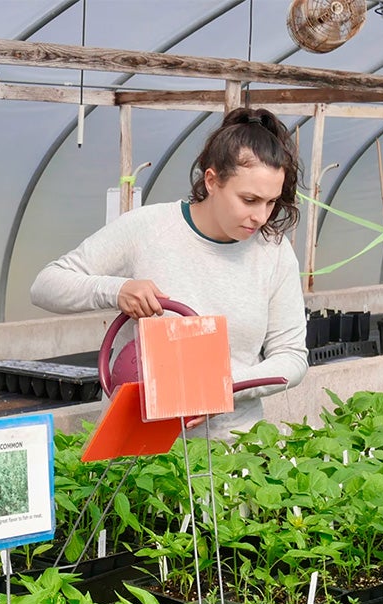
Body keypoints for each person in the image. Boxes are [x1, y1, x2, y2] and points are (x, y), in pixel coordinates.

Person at [30, 106, 308, 440]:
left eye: (270, 202)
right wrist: (117, 290)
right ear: (212, 181)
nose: (260, 216)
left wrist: (224, 388)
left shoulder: (273, 253)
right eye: (249, 199)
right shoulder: (148, 229)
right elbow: (45, 285)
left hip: (234, 453)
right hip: (142, 450)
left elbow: (292, 357)